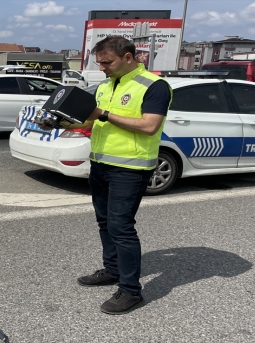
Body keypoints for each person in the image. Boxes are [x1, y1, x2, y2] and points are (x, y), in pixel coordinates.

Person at [44, 36, 172, 315]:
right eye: (99, 62)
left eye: (107, 62)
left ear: (128, 57)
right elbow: (90, 118)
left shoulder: (154, 86)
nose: (102, 67)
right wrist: (58, 120)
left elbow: (149, 126)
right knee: (104, 222)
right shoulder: (105, 85)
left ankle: (130, 291)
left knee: (121, 227)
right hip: (100, 163)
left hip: (131, 167)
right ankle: (113, 270)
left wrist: (104, 113)